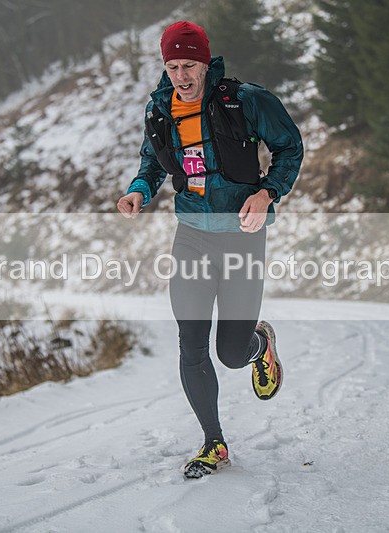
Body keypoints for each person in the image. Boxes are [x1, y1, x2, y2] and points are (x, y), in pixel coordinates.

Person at [117, 21, 303, 478]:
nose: (182, 75)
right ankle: (213, 443)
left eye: (190, 65)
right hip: (192, 235)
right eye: (173, 66)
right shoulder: (160, 107)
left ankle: (260, 344)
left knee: (231, 353)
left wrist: (267, 194)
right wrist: (139, 189)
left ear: (205, 62)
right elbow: (152, 160)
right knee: (191, 344)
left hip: (241, 233)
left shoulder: (246, 100)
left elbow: (290, 148)